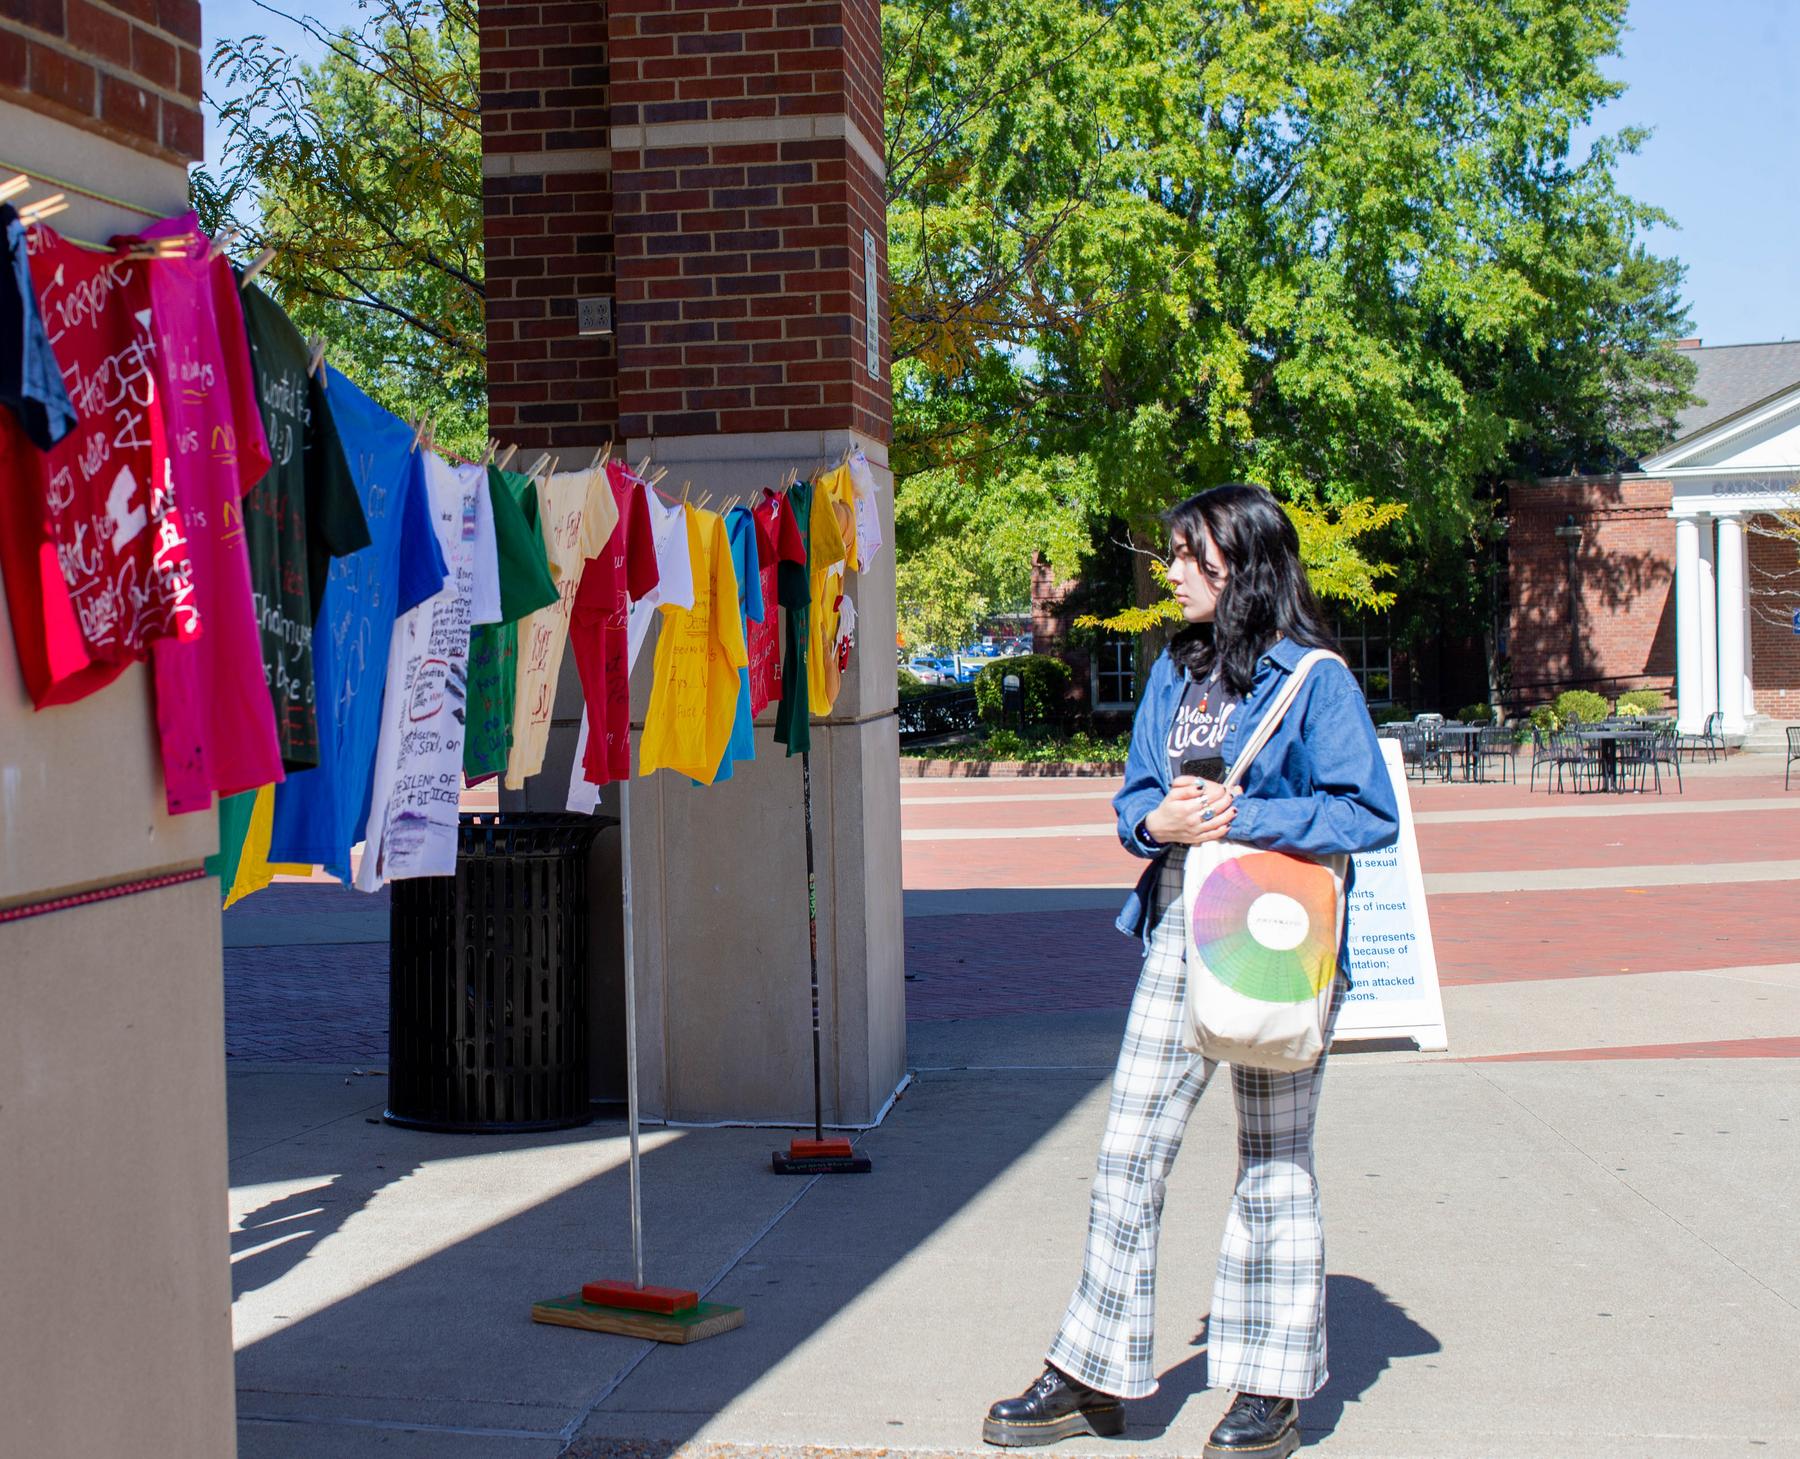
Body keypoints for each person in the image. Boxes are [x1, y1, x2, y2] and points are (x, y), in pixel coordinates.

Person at [982, 483, 1399, 1457]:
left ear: (1241, 561)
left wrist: (1238, 817)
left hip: (1277, 936)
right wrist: (1152, 822)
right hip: (1177, 924)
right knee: (1129, 1146)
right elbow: (1136, 794)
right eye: (1170, 552)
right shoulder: (1177, 669)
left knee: (1275, 1159)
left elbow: (1365, 811)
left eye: (1186, 553)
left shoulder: (1316, 679)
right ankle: (1093, 1370)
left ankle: (1270, 1389)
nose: (1168, 570)